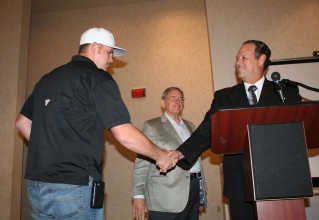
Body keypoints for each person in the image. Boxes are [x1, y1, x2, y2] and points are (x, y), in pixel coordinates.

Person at [15, 27, 175, 220]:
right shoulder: (98, 78)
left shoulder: (46, 79)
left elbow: (22, 123)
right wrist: (161, 155)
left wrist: (53, 148)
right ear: (95, 47)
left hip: (37, 187)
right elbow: (124, 134)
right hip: (75, 188)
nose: (111, 60)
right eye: (109, 52)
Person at [169, 40, 302, 220]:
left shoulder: (286, 92)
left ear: (261, 59)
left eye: (244, 58)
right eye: (237, 58)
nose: (238, 62)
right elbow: (206, 131)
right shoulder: (225, 97)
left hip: (281, 180)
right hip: (239, 183)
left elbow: (297, 132)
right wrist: (180, 154)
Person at [132, 87, 207, 220]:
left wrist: (201, 193)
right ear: (163, 103)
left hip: (194, 192)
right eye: (172, 98)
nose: (177, 102)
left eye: (180, 99)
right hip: (165, 199)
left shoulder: (191, 126)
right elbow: (141, 164)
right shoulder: (152, 126)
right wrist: (139, 196)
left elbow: (197, 161)